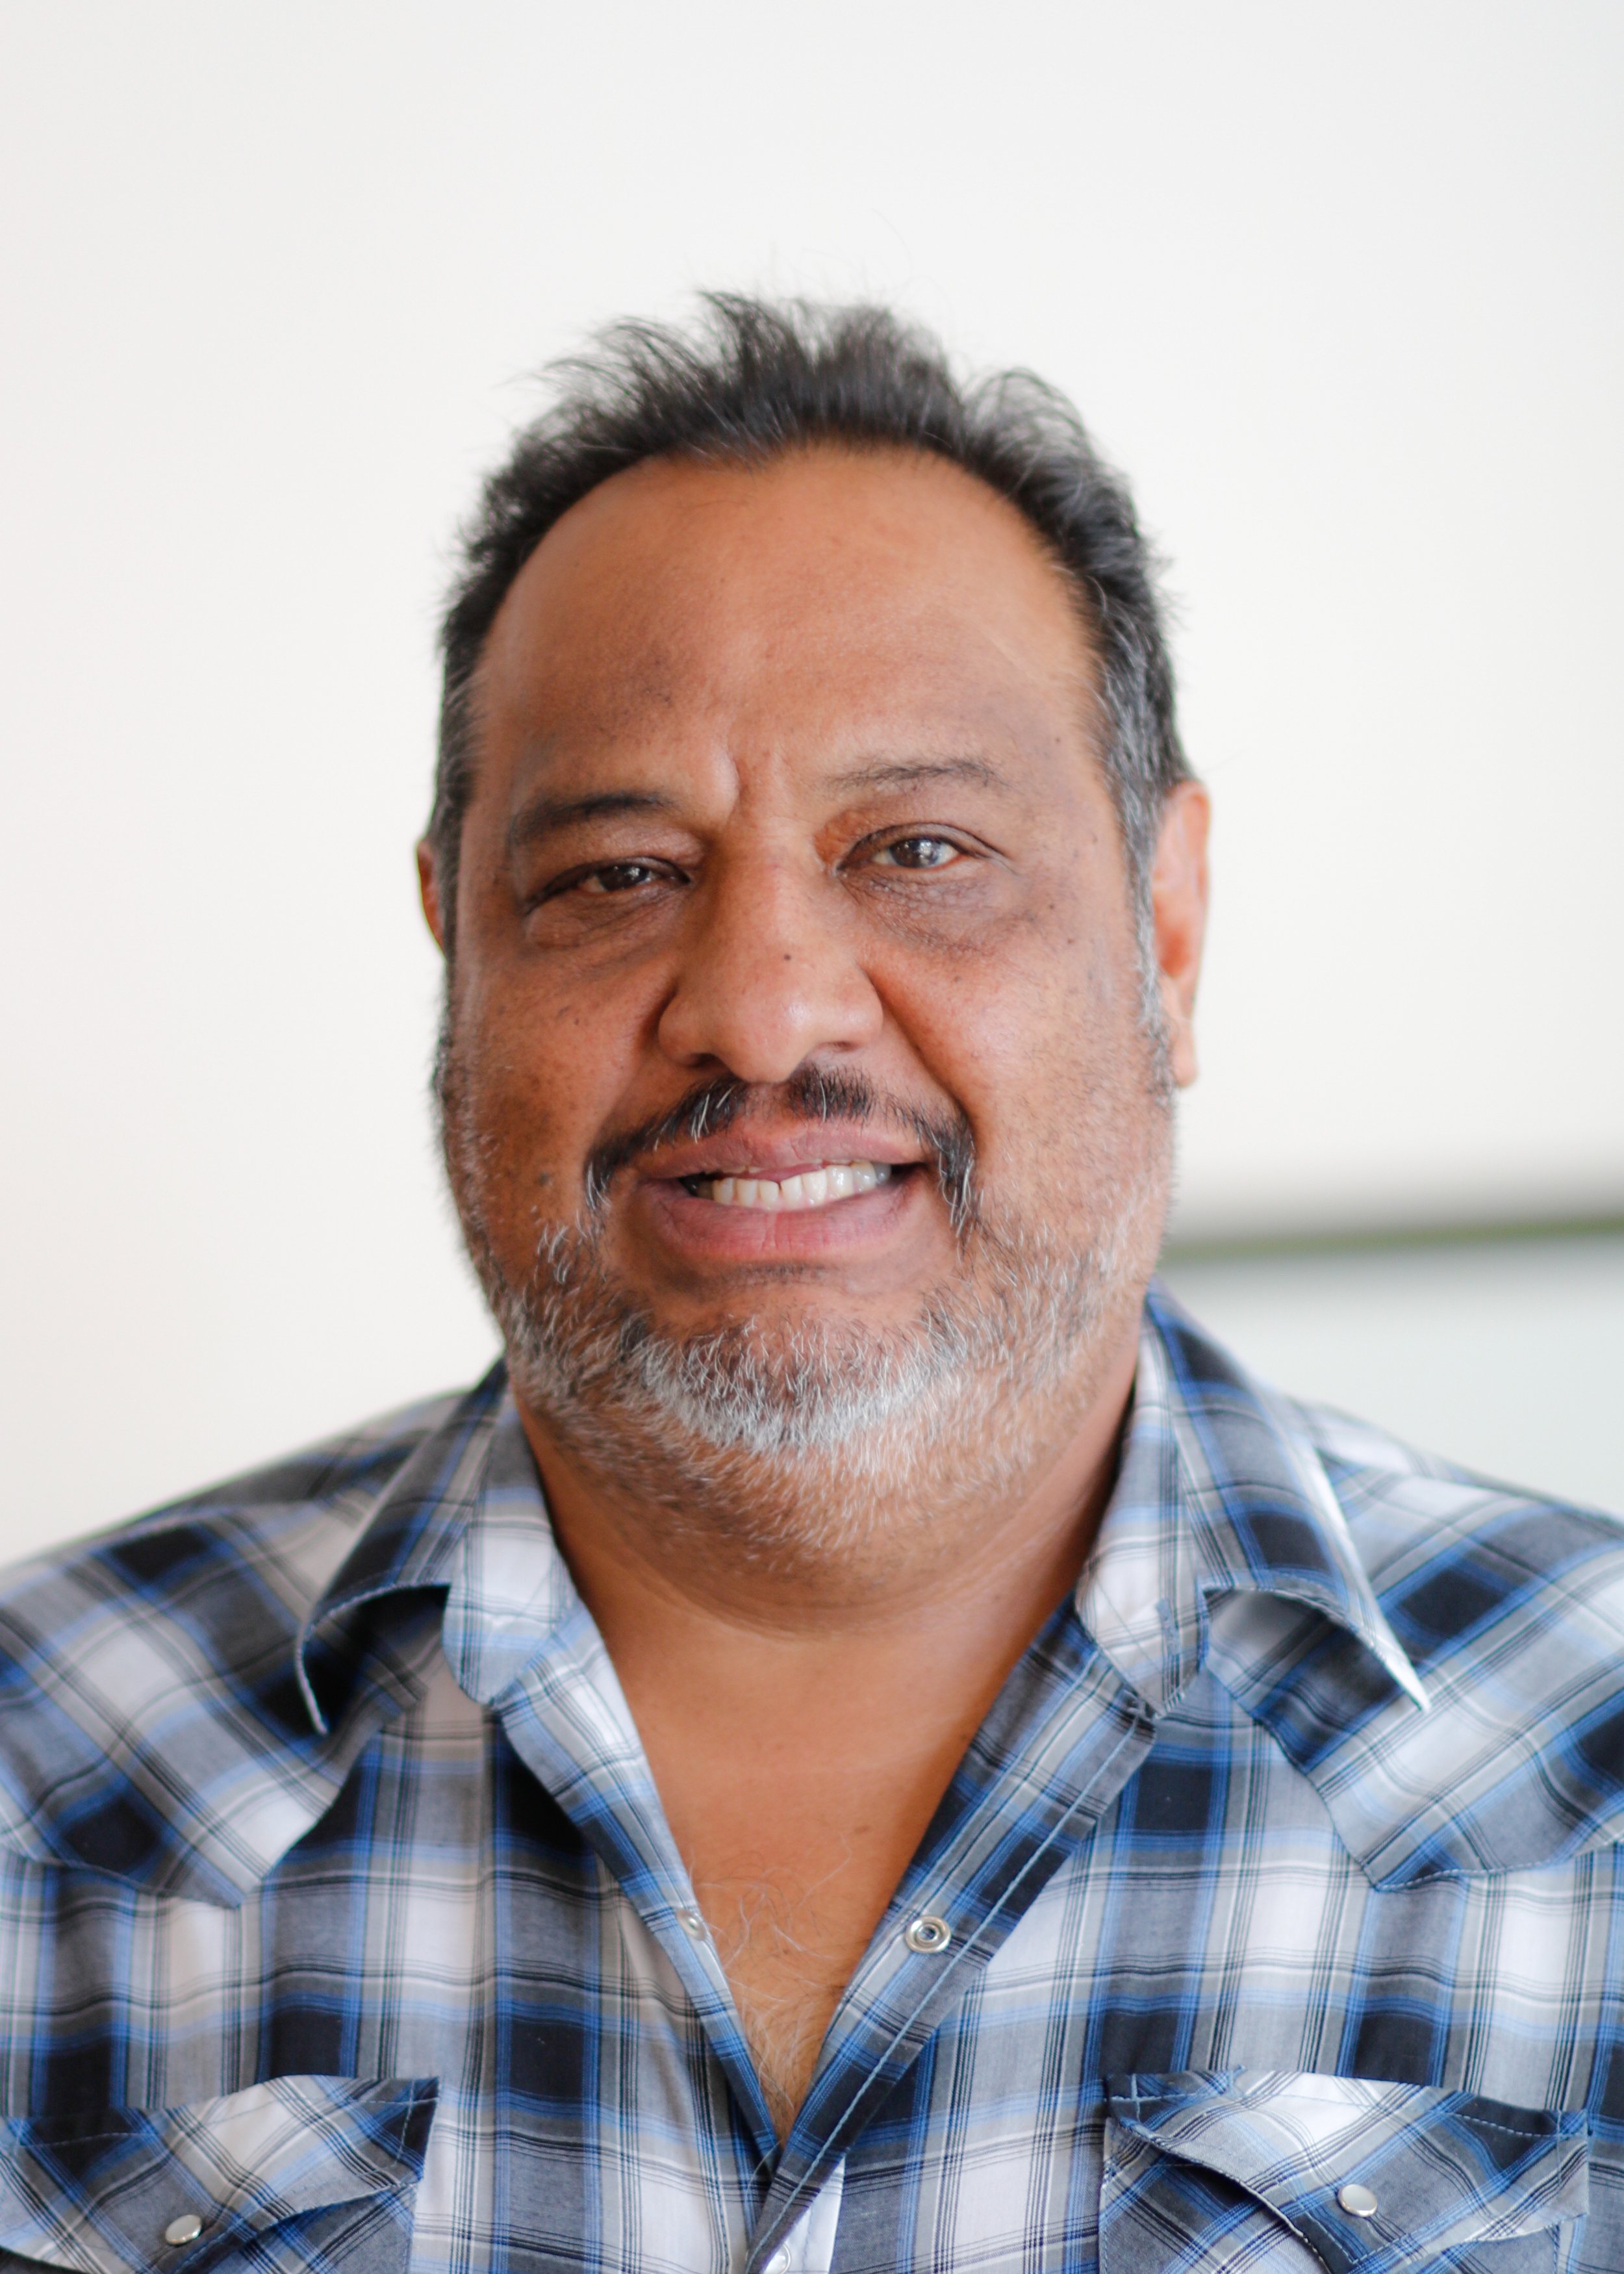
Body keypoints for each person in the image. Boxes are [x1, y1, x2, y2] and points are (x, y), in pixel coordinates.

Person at [0, 297, 1618, 2274]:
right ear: (454, 946)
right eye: (613, 874)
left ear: (1166, 931)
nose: (762, 1014)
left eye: (918, 847)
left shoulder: (1593, 1776)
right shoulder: (32, 1790)